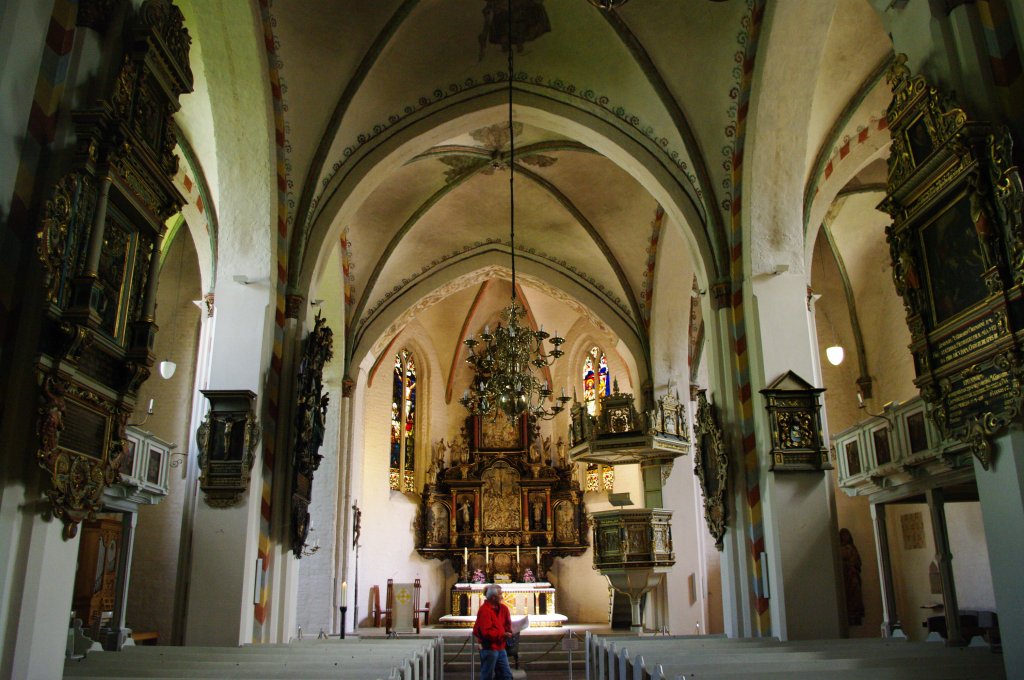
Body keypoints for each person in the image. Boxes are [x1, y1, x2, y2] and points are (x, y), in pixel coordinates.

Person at [473, 584, 513, 680]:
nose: (502, 596)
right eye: (500, 594)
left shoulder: (504, 609)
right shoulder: (484, 611)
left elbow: (507, 624)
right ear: (493, 597)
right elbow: (486, 632)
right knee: (487, 675)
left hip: (501, 647)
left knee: (506, 675)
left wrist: (509, 632)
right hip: (489, 648)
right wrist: (502, 634)